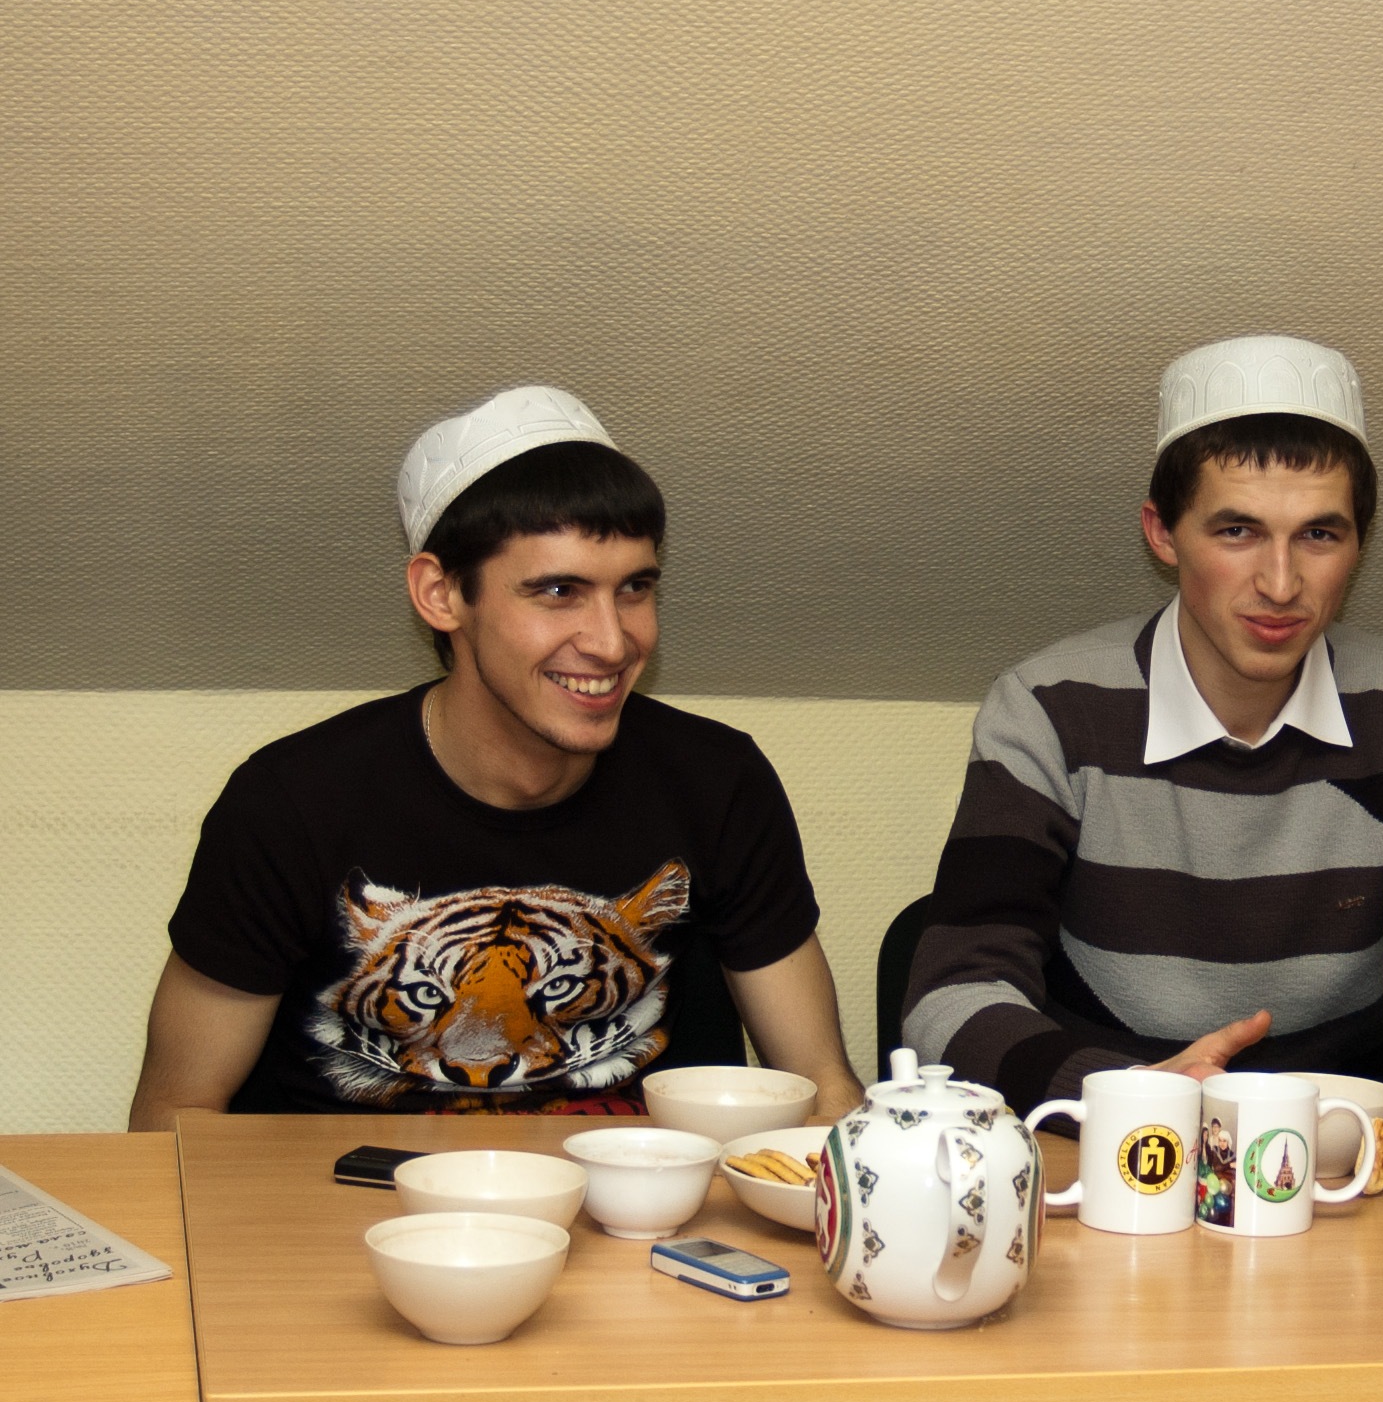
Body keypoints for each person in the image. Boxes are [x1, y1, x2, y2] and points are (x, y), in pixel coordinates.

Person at [905, 335, 1383, 1186]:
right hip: (1103, 1166)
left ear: (1360, 542)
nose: (1280, 583)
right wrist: (1122, 1096)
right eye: (1237, 531)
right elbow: (950, 995)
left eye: (1318, 534)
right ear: (1161, 534)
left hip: (1334, 1177)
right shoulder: (1050, 708)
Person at [127, 386, 864, 1126]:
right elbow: (176, 1112)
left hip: (639, 1193)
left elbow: (823, 1088)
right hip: (344, 1193)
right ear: (441, 594)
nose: (613, 642)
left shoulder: (717, 781)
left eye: (635, 588)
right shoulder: (290, 803)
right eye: (559, 590)